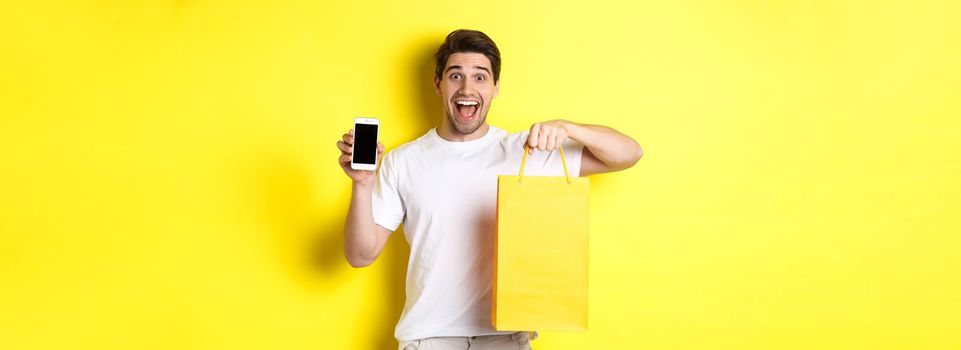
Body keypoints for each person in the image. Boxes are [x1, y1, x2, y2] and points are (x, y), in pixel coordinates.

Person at [336, 29, 643, 350]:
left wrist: (567, 127)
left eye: (480, 77)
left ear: (495, 87)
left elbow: (629, 153)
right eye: (456, 75)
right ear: (438, 84)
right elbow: (360, 255)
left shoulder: (528, 151)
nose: (467, 88)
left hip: (506, 339)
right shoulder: (403, 160)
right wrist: (362, 184)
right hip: (428, 339)